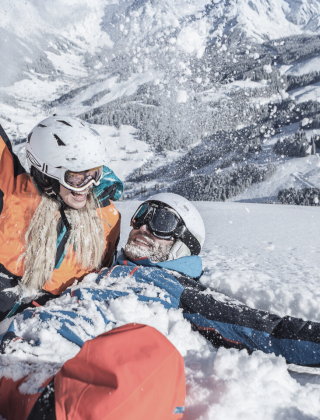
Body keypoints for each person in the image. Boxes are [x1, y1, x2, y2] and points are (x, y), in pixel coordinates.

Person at [1, 192, 320, 419]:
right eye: (141, 217)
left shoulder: (179, 288)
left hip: (58, 381)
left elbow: (266, 329)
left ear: (184, 244)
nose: (142, 227)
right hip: (14, 356)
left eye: (162, 221)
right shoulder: (101, 267)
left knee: (151, 358)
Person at [0, 116, 124, 322]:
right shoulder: (14, 198)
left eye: (94, 174)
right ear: (46, 174)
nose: (88, 185)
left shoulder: (106, 218)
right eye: (76, 177)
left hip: (48, 335)